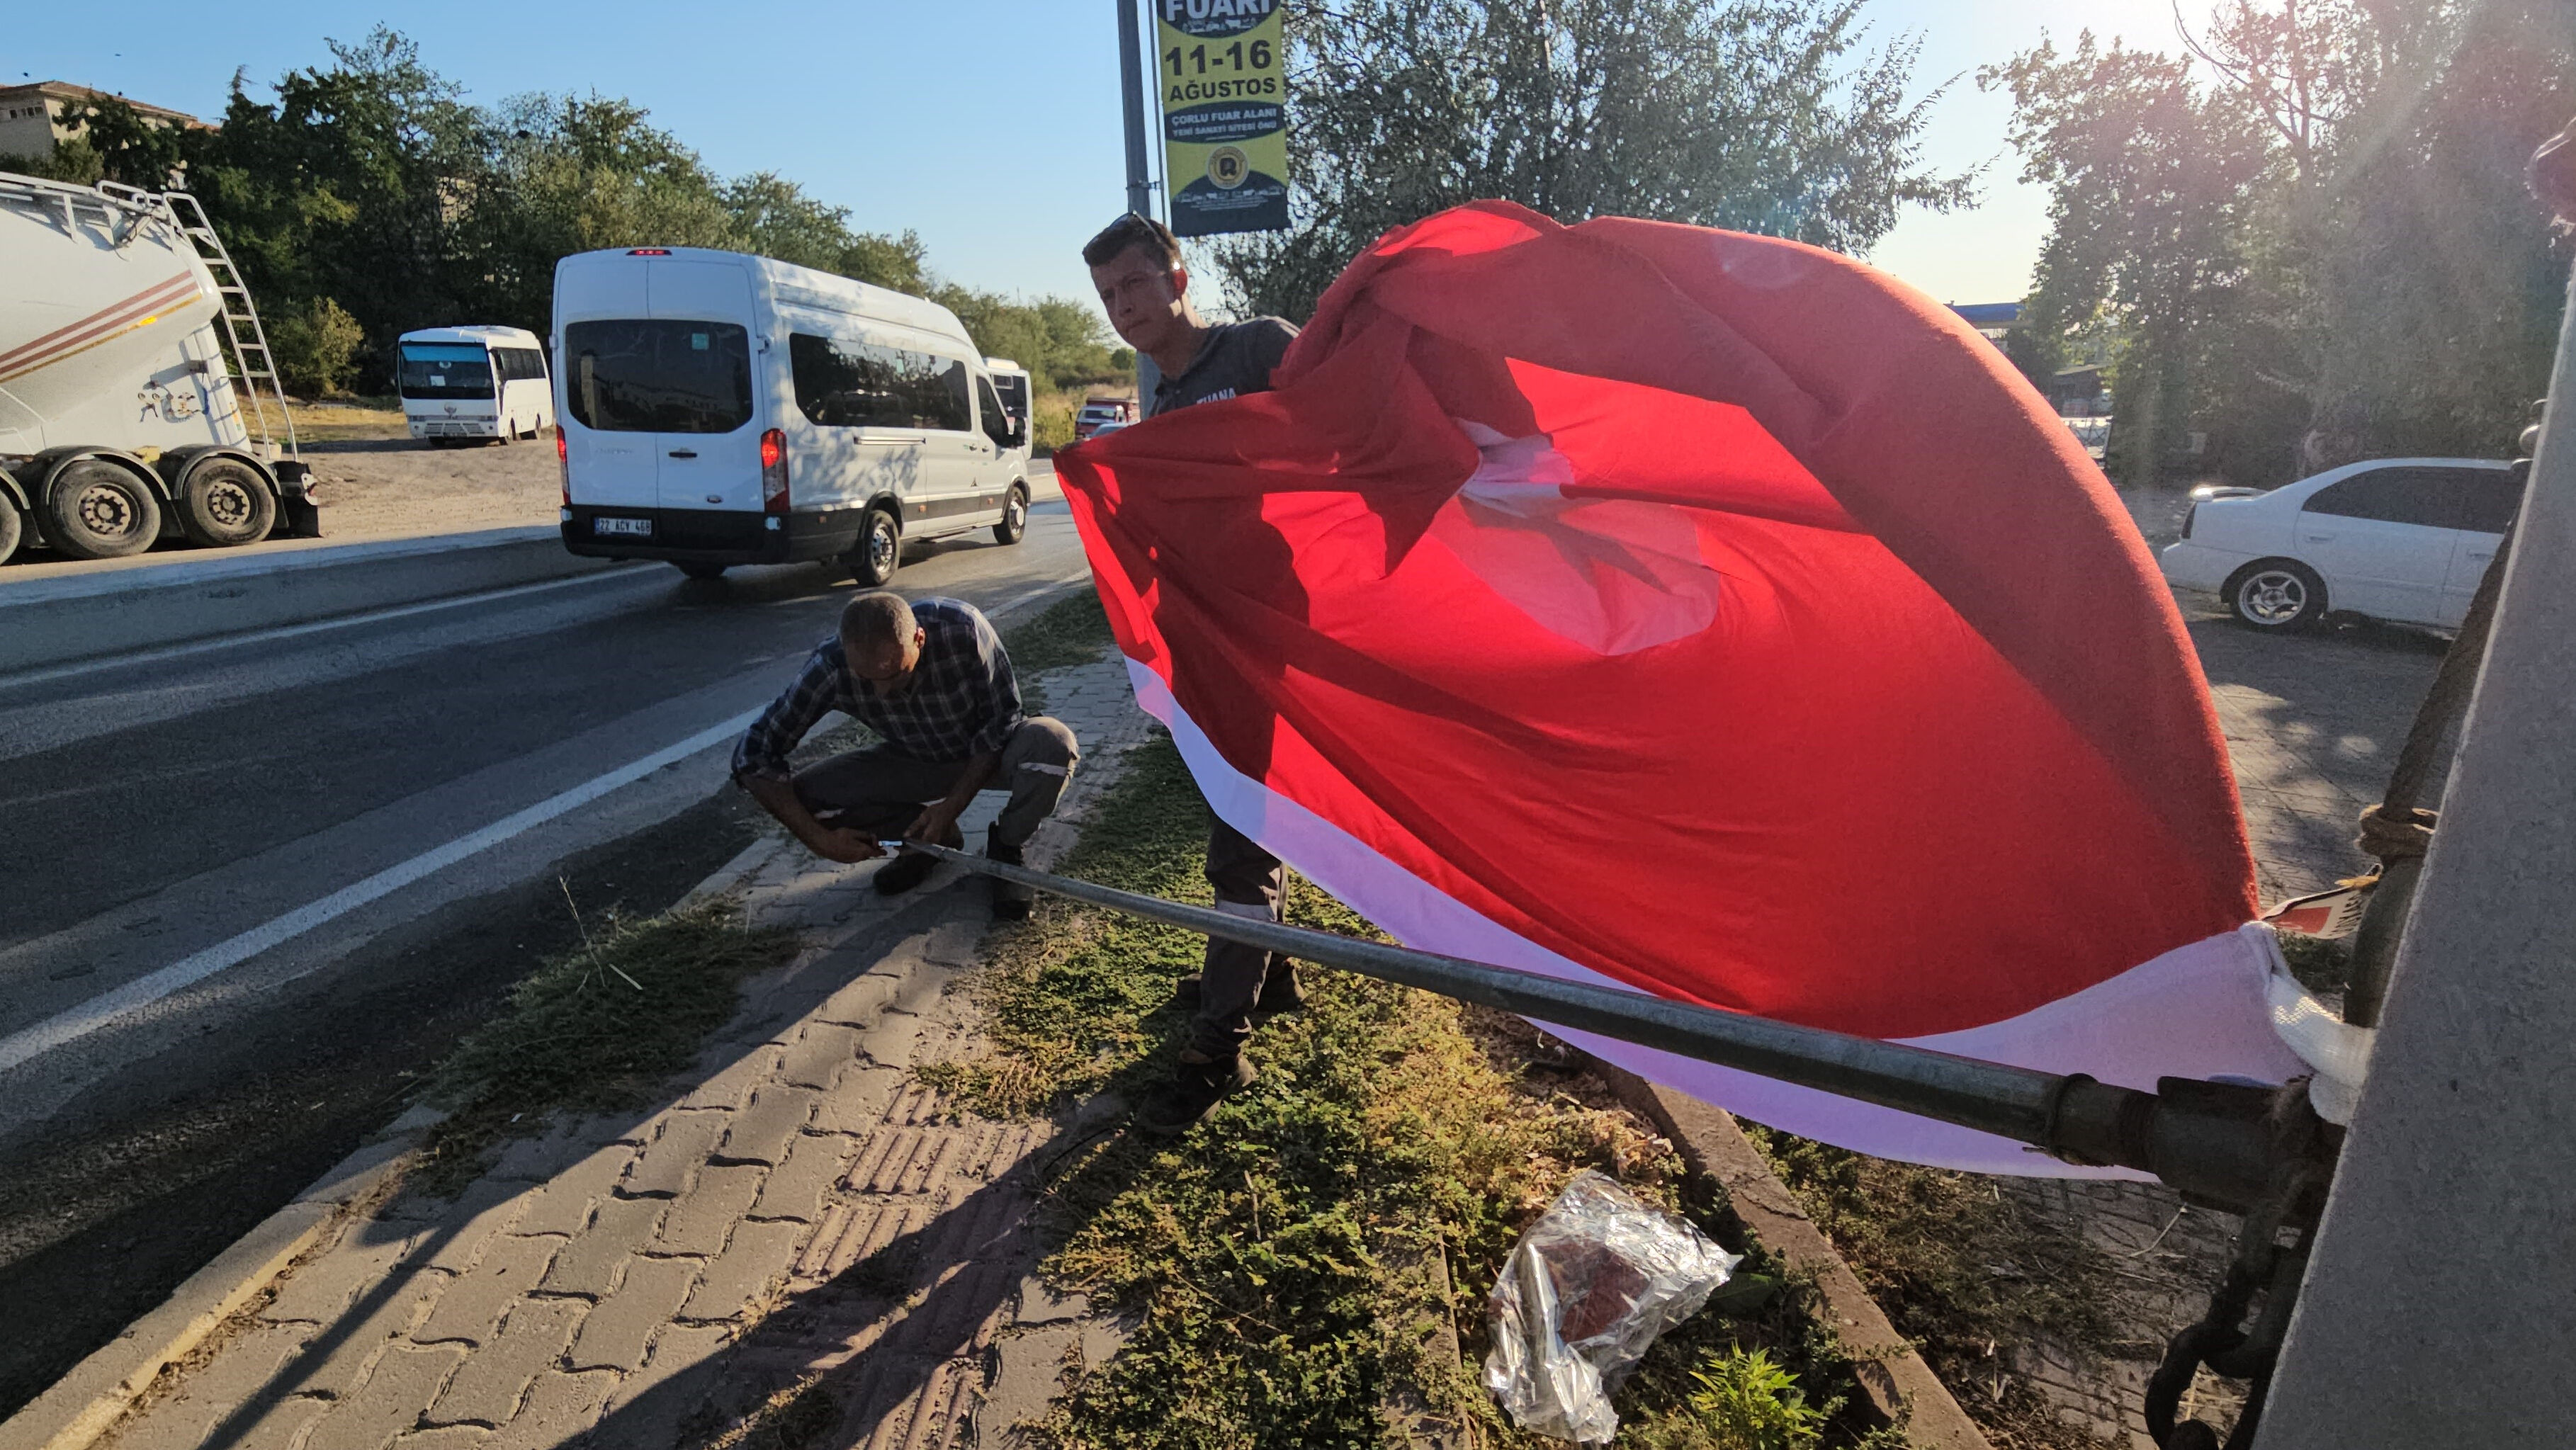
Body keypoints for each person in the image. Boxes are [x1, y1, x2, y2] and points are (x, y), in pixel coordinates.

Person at [1083, 211, 1306, 1135]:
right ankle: (1269, 967)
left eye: (1134, 283)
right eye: (1106, 296)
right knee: (1243, 808)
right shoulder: (1162, 412)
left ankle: (1219, 1045)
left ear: (1178, 277)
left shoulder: (1258, 350)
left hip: (1285, 637)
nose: (1122, 307)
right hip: (1213, 647)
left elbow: (1349, 424)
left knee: (1240, 839)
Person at [733, 591, 1078, 919]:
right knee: (805, 801)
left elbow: (1002, 721)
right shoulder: (830, 667)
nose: (881, 693)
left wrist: (951, 806)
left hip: (988, 755)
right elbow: (754, 752)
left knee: (1052, 745)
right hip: (913, 759)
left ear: (920, 640)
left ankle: (1005, 847)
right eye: (865, 679)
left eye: (895, 674)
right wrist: (819, 840)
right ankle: (928, 844)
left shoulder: (964, 629)